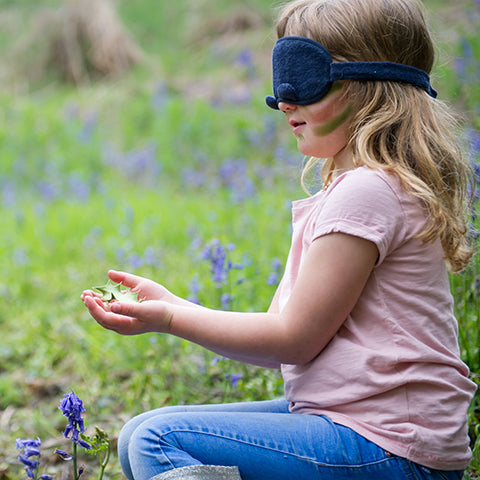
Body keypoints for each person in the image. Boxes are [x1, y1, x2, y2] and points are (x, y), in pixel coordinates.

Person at [81, 0, 477, 479]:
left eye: (303, 77)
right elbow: (285, 339)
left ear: (369, 88)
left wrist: (170, 318)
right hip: (365, 430)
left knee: (157, 441)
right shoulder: (364, 187)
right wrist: (175, 304)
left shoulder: (368, 191)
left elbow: (294, 340)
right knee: (140, 432)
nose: (284, 101)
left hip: (394, 449)